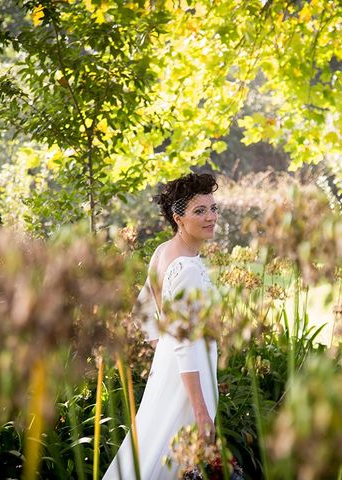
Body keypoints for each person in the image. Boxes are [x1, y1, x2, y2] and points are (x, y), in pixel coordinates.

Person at [102, 173, 220, 480]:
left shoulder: (164, 251)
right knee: (174, 457)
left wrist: (165, 352)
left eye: (213, 208)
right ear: (177, 217)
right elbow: (184, 342)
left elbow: (142, 313)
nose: (210, 217)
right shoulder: (185, 267)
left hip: (174, 369)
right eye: (199, 211)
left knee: (153, 446)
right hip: (189, 380)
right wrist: (200, 409)